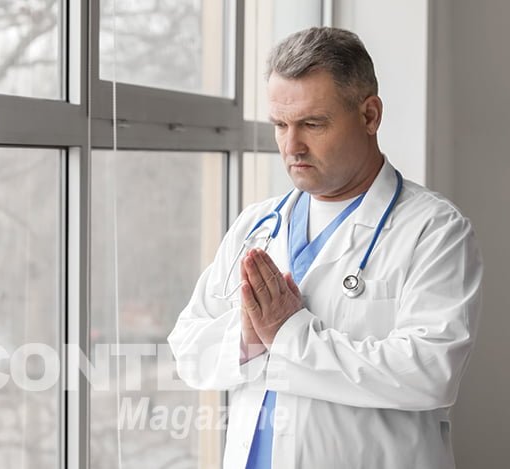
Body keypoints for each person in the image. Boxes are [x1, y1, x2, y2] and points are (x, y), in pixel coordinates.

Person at [167, 27, 482, 469]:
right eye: (280, 125)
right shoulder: (256, 226)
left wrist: (288, 335)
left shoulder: (433, 230)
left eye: (312, 124)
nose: (291, 146)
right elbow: (187, 348)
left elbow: (431, 372)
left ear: (369, 115)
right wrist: (246, 338)